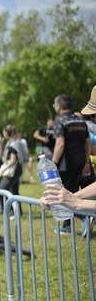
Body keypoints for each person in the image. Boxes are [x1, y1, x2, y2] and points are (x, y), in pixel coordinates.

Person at [52, 94, 91, 235]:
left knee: (65, 193)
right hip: (80, 160)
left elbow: (60, 143)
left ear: (59, 106)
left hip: (65, 163)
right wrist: (86, 161)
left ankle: (83, 217)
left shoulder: (59, 120)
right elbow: (88, 143)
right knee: (73, 191)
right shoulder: (80, 120)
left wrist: (53, 164)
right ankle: (68, 224)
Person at [0, 125, 24, 217]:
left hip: (14, 171)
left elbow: (13, 160)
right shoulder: (16, 142)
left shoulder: (12, 145)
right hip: (18, 170)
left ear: (7, 133)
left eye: (4, 132)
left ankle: (10, 211)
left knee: (2, 190)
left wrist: (2, 170)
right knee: (14, 191)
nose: (3, 134)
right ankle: (18, 212)